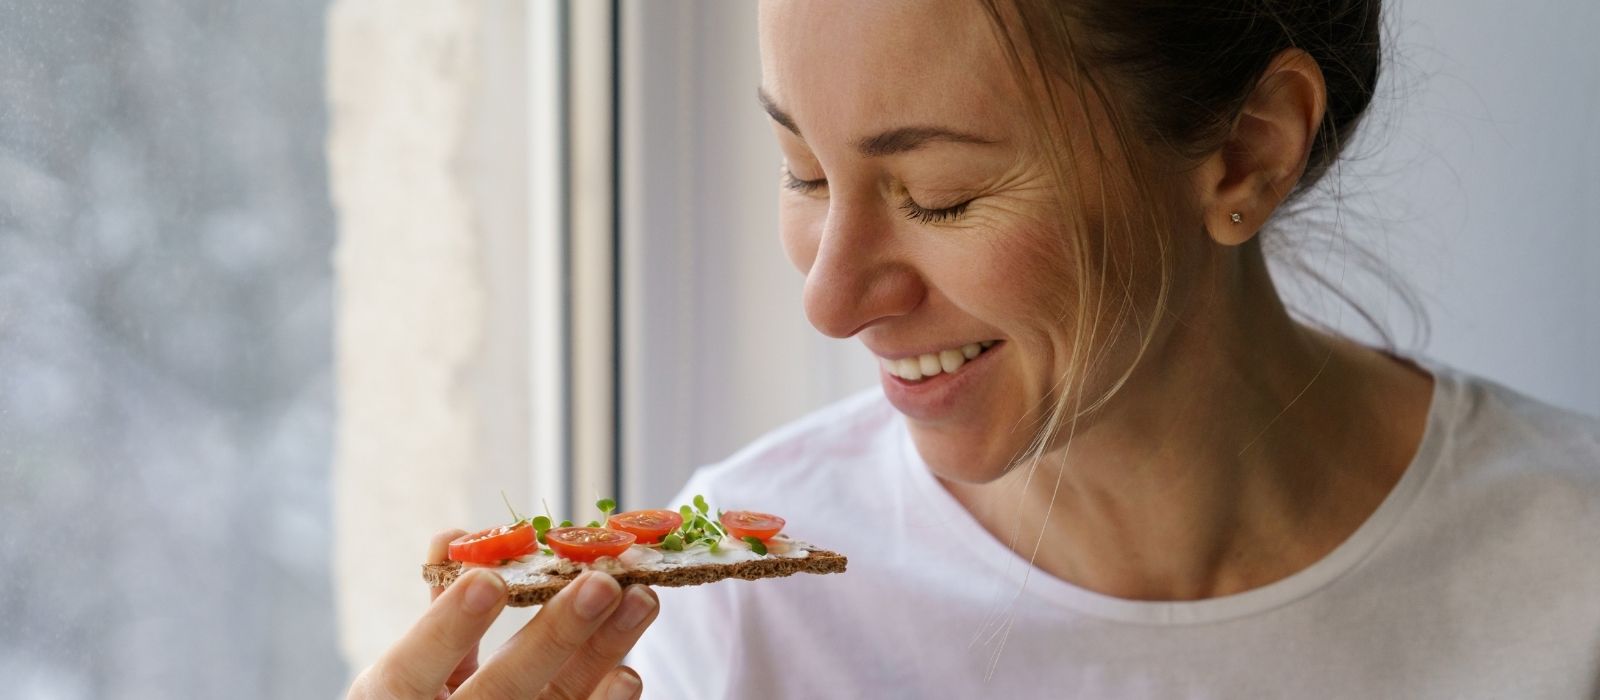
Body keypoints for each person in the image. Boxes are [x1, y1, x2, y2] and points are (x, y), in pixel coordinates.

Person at [352, 0, 1600, 697]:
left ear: (1247, 152)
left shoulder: (1572, 573)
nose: (831, 303)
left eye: (940, 195)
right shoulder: (725, 640)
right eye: (800, 170)